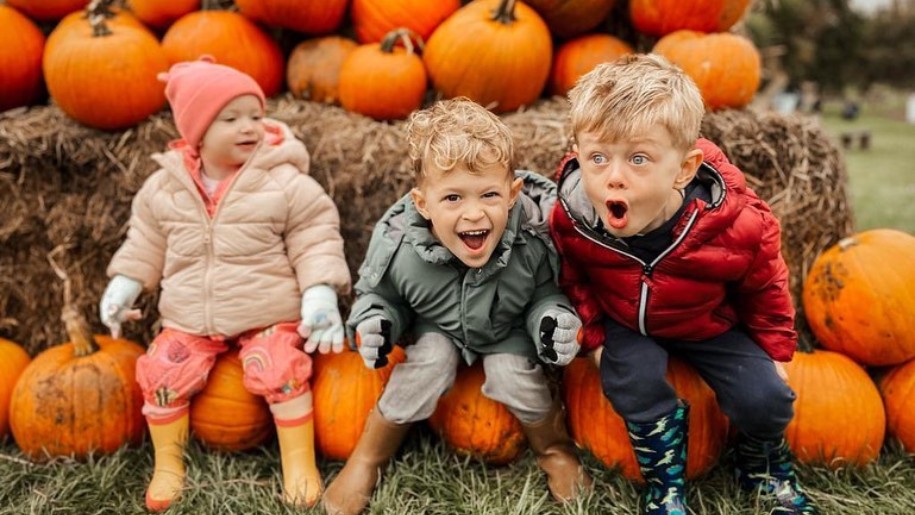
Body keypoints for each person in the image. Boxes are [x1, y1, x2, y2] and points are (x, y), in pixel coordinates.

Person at [549, 54, 816, 515]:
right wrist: (593, 336)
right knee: (629, 378)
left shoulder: (735, 223)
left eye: (638, 158)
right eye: (597, 157)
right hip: (627, 320)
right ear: (577, 154)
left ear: (684, 168)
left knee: (766, 398)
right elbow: (575, 278)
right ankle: (665, 484)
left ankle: (760, 464)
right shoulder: (573, 218)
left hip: (707, 322)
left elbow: (765, 284)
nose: (613, 175)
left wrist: (773, 350)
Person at [99, 57, 351, 511]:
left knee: (282, 369)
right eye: (230, 118)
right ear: (196, 130)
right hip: (190, 317)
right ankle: (169, 465)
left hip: (268, 312)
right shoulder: (165, 188)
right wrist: (125, 283)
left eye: (255, 115)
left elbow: (314, 236)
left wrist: (320, 292)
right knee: (162, 371)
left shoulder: (283, 180)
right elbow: (145, 242)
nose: (249, 127)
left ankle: (299, 465)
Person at [322, 98, 592, 515]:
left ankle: (554, 451)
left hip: (506, 329)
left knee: (514, 374)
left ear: (513, 193)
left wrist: (552, 320)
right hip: (441, 328)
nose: (473, 213)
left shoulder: (533, 239)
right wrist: (377, 322)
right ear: (422, 203)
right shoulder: (400, 249)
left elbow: (544, 294)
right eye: (452, 198)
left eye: (488, 194)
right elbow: (382, 298)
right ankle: (368, 458)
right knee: (428, 363)